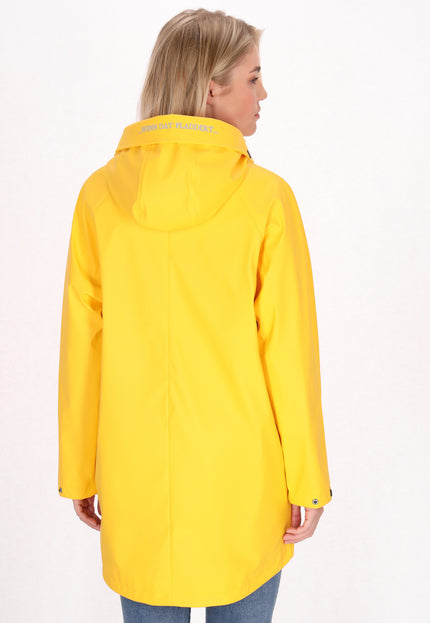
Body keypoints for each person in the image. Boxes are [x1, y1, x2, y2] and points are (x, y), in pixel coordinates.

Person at [57, 8, 333, 623]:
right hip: (245, 483)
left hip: (136, 483)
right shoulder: (266, 198)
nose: (264, 94)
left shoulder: (99, 195)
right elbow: (288, 351)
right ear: (212, 88)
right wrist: (308, 479)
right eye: (253, 78)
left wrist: (78, 469)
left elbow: (83, 344)